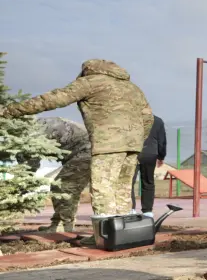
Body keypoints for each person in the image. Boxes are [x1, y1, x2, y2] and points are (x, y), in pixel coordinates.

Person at [0, 59, 154, 244]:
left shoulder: (90, 82)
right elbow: (148, 117)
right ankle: (123, 236)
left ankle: (104, 237)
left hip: (107, 143)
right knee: (121, 189)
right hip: (133, 145)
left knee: (103, 188)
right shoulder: (132, 88)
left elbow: (54, 98)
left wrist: (9, 111)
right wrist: (136, 139)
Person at [28, 117, 92, 232]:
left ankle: (64, 225)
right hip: (80, 151)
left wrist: (24, 181)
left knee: (64, 187)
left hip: (86, 151)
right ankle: (58, 223)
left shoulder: (35, 131)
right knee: (59, 186)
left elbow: (31, 161)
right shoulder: (38, 124)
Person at [131, 114, 167, 218]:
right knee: (148, 182)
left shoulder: (131, 117)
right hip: (150, 153)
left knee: (129, 182)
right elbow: (162, 141)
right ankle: (147, 211)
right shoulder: (157, 120)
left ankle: (130, 209)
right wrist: (161, 156)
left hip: (132, 153)